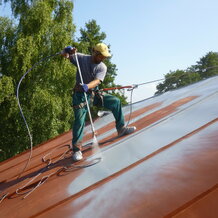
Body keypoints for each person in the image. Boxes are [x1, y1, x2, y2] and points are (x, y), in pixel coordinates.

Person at [62, 43, 136, 161]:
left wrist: (87, 86)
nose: (103, 58)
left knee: (115, 101)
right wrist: (67, 51)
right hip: (80, 95)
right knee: (80, 120)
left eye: (105, 57)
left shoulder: (102, 67)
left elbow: (97, 81)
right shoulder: (81, 58)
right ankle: (76, 150)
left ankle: (121, 128)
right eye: (101, 56)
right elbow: (66, 56)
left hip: (93, 93)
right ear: (94, 52)